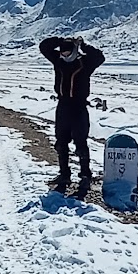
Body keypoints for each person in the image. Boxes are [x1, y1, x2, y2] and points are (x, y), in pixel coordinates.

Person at [38, 34, 105, 196]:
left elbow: (99, 57)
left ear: (74, 51)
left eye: (67, 52)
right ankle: (64, 175)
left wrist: (83, 45)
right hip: (63, 106)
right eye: (62, 52)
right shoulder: (58, 61)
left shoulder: (85, 63)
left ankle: (85, 175)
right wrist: (61, 41)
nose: (64, 55)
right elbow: (44, 46)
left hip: (79, 107)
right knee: (61, 143)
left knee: (81, 143)